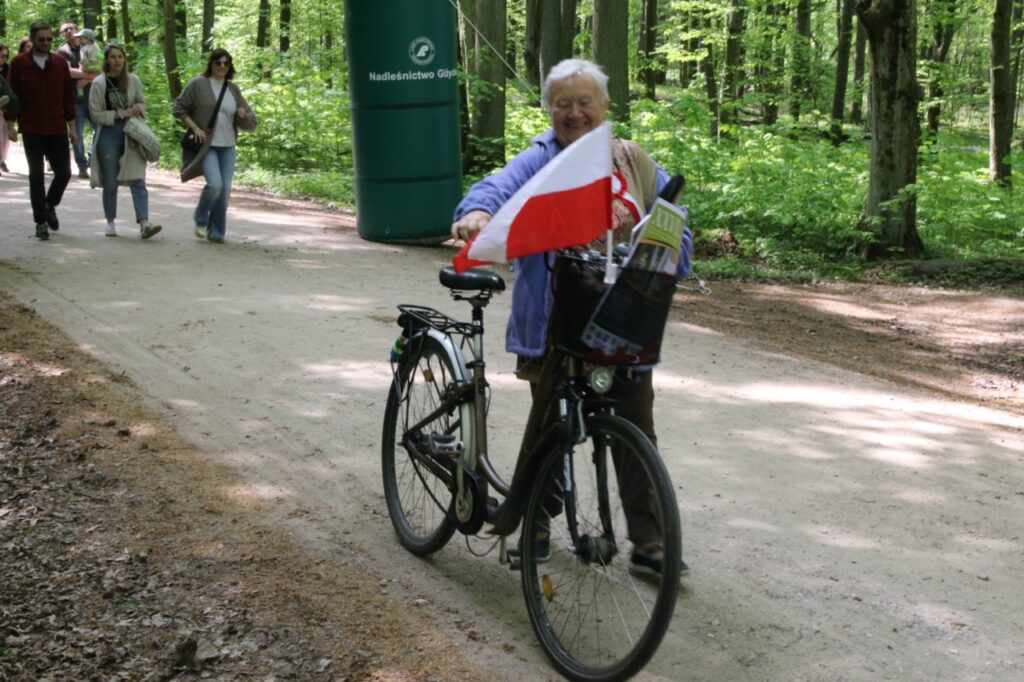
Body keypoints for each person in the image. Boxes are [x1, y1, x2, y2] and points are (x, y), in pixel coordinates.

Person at [451, 59, 694, 578]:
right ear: (549, 109)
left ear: (605, 109)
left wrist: (671, 253)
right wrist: (476, 214)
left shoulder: (632, 160)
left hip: (626, 320)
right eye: (563, 103)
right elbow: (494, 188)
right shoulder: (540, 160)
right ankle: (534, 526)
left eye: (586, 102)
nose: (575, 112)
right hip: (556, 320)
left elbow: (675, 218)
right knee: (550, 422)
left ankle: (650, 543)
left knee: (634, 424)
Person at [172, 48, 256, 244]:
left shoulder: (233, 89)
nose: (222, 67)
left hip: (228, 145)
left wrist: (244, 116)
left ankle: (216, 231)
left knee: (225, 189)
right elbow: (178, 108)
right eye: (218, 63)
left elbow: (250, 122)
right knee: (215, 185)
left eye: (226, 63)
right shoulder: (198, 84)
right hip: (207, 145)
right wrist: (195, 128)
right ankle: (200, 218)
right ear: (211, 64)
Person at [6, 21, 77, 241]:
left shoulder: (59, 63)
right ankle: (40, 222)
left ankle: (49, 204)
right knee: (36, 175)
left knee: (64, 173)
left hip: (56, 126)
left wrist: (72, 127)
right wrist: (10, 125)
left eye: (49, 39)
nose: (46, 43)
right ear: (33, 39)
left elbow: (68, 97)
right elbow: (12, 97)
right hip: (32, 128)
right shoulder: (19, 64)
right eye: (41, 39)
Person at [88, 43, 161, 239]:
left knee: (138, 178)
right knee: (110, 181)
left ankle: (144, 223)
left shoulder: (133, 80)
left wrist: (138, 109)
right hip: (109, 135)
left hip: (132, 135)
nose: (117, 60)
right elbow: (95, 114)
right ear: (106, 60)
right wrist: (120, 113)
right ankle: (110, 222)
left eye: (120, 56)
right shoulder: (99, 83)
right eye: (113, 57)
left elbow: (141, 101)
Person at [55, 21, 90, 178]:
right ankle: (82, 165)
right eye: (65, 30)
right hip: (74, 100)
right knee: (77, 134)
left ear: (77, 30)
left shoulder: (88, 47)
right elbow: (67, 72)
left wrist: (88, 79)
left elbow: (101, 69)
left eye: (71, 28)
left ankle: (93, 159)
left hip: (94, 97)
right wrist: (89, 74)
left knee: (102, 129)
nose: (69, 31)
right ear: (62, 35)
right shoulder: (61, 52)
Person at [0, 42, 14, 174]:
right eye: (1, 55)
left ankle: (2, 159)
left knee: (3, 135)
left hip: (4, 107)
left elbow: (10, 89)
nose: (3, 59)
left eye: (5, 56)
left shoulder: (7, 69)